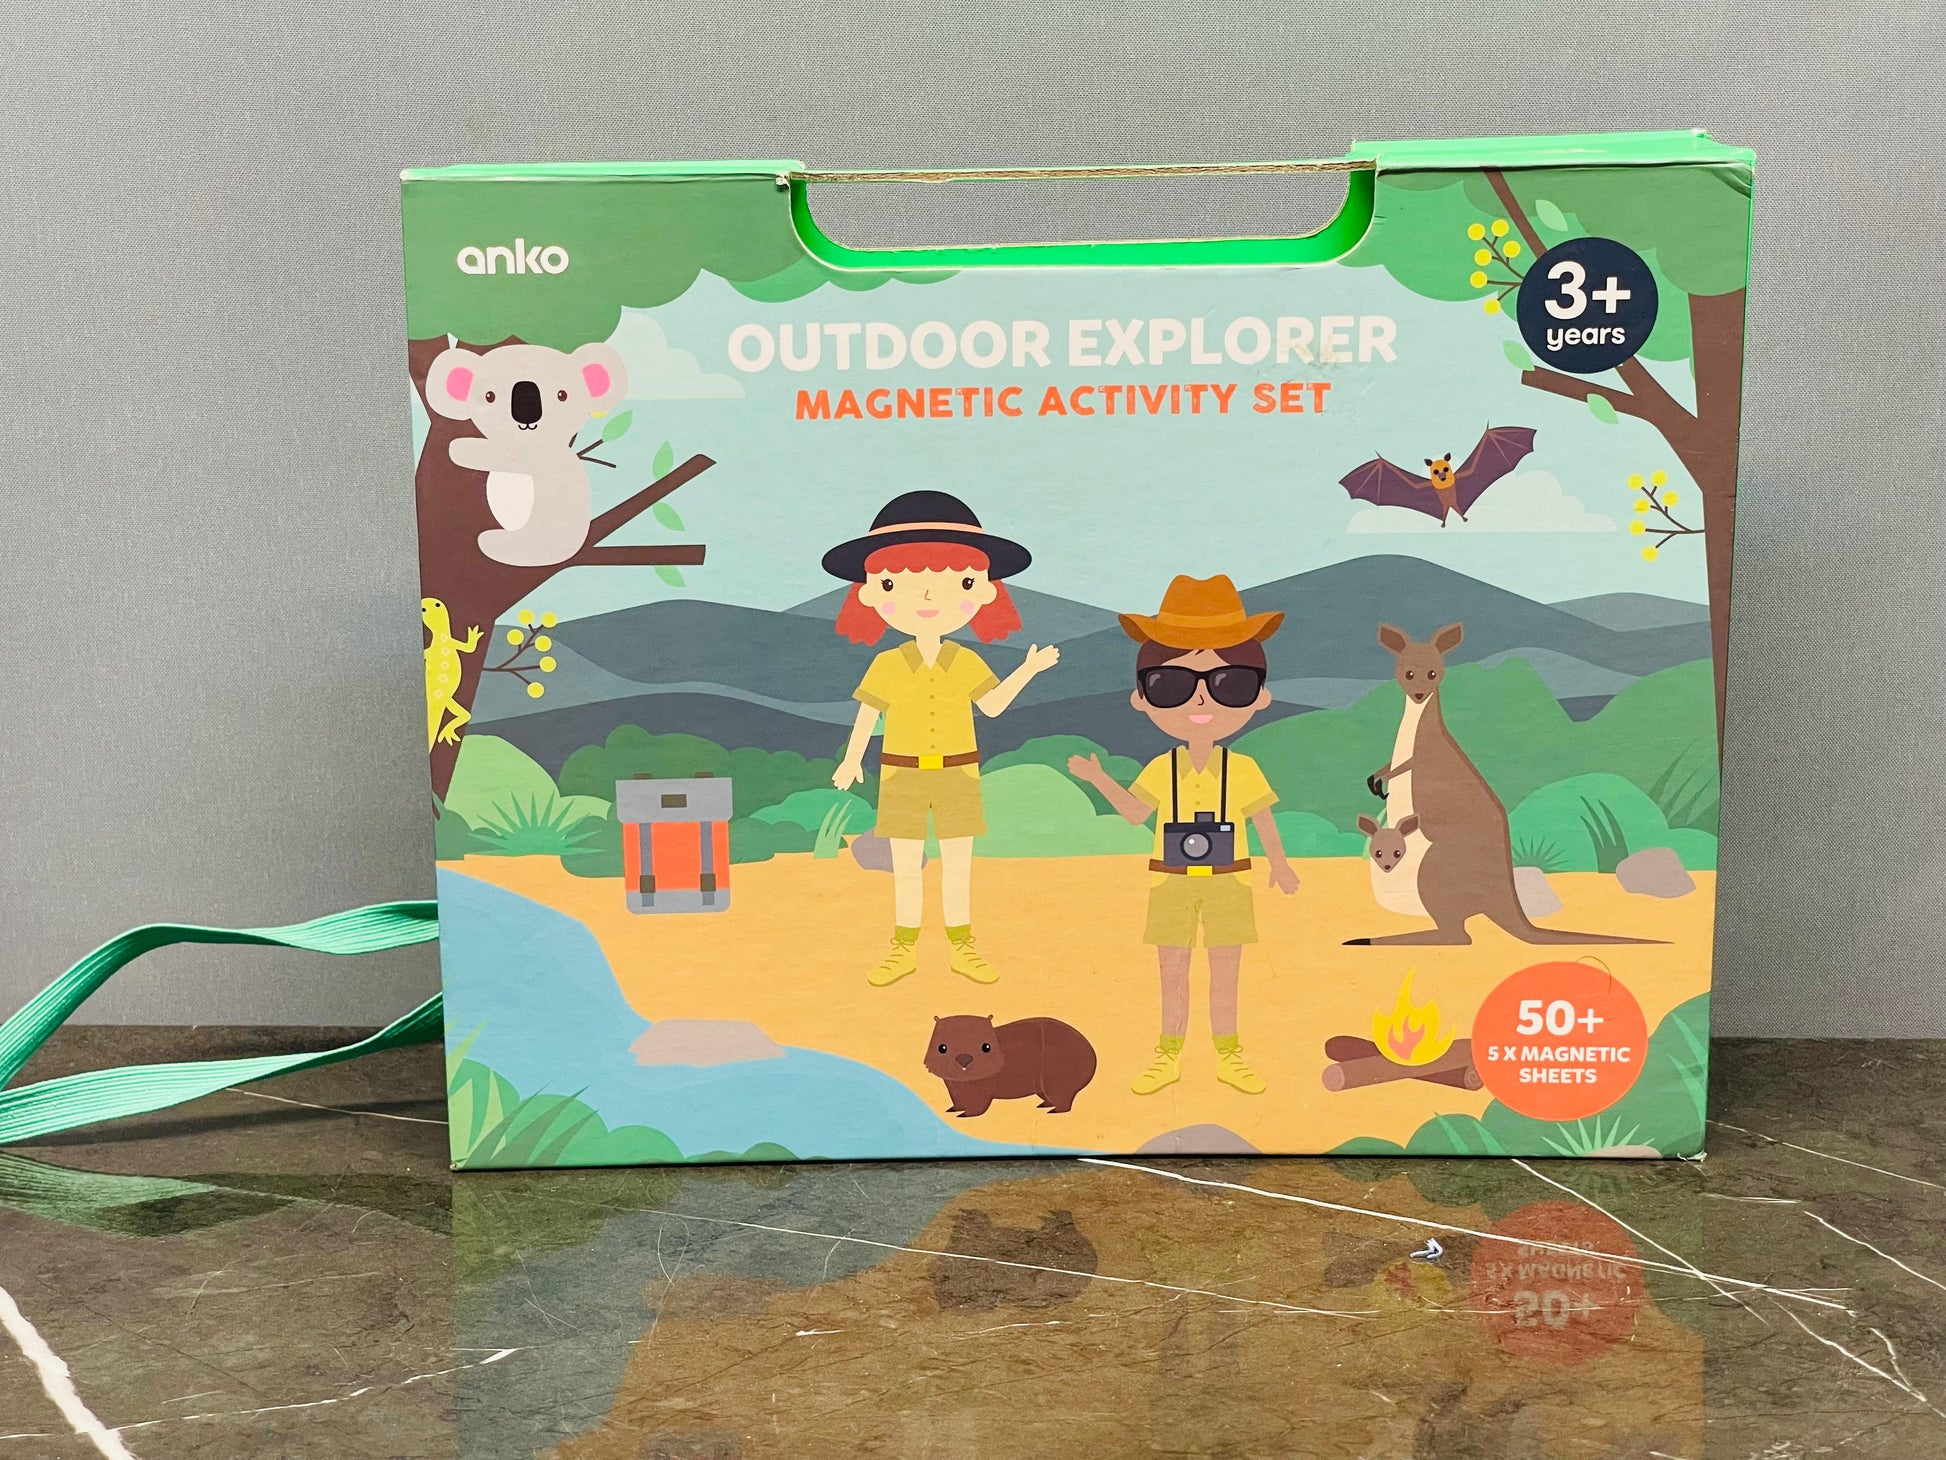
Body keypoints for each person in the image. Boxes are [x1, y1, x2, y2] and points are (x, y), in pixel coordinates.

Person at [1068, 575, 1298, 1094]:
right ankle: (1167, 1054)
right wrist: (1099, 778)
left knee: (1225, 973)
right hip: (1170, 880)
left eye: (1229, 685)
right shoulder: (1160, 768)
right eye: (1171, 686)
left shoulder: (1243, 769)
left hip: (1229, 880)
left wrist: (1280, 865)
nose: (1200, 700)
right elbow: (1135, 814)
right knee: (1171, 972)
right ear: (1142, 698)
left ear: (1260, 697)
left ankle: (1229, 1054)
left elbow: (1262, 818)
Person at [825, 490, 1060, 986]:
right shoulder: (887, 663)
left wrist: (1028, 669)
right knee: (905, 866)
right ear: (870, 593)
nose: (928, 598)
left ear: (984, 591)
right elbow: (868, 714)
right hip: (901, 775)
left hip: (959, 773)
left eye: (960, 582)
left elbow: (992, 705)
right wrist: (851, 760)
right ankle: (903, 948)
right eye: (896, 583)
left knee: (957, 866)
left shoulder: (966, 660)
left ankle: (962, 947)